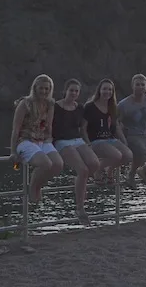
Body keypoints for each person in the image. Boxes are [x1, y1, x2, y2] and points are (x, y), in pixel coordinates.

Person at [52, 78, 100, 224]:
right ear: (65, 91)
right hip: (61, 141)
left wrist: (89, 142)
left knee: (94, 164)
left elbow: (84, 127)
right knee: (83, 170)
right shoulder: (55, 107)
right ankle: (80, 208)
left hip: (77, 139)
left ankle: (80, 182)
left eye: (76, 91)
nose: (73, 93)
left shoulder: (80, 108)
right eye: (71, 90)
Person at [9, 74, 64, 202]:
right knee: (46, 164)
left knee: (58, 164)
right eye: (41, 88)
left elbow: (49, 125)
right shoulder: (25, 103)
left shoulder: (50, 104)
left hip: (42, 139)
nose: (44, 91)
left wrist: (50, 139)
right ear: (35, 88)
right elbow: (16, 129)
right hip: (25, 140)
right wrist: (12, 151)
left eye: (47, 89)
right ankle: (33, 188)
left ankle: (38, 186)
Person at [82, 78, 132, 184]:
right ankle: (97, 170)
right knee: (117, 155)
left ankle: (109, 170)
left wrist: (124, 141)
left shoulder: (113, 107)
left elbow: (117, 126)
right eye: (104, 89)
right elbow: (83, 128)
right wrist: (88, 143)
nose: (107, 92)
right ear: (99, 90)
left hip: (110, 139)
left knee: (128, 155)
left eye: (110, 90)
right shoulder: (90, 106)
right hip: (96, 140)